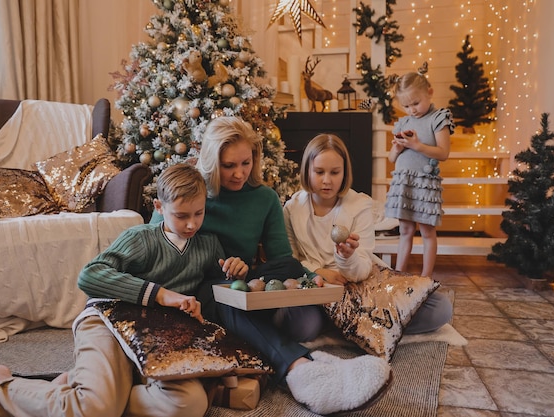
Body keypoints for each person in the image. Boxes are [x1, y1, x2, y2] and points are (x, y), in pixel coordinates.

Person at [0, 163, 248, 417]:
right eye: (181, 216)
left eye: (199, 213)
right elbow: (90, 275)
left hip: (159, 338)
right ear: (159, 207)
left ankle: (89, 389)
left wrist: (233, 271)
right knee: (96, 408)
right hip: (110, 322)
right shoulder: (141, 238)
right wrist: (161, 294)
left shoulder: (209, 246)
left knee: (189, 404)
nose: (192, 224)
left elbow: (214, 288)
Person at [150, 116, 391, 415]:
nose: (239, 174)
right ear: (212, 161)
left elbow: (281, 261)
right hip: (198, 291)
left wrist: (312, 277)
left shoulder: (265, 198)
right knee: (224, 294)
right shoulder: (192, 191)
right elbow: (156, 241)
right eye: (229, 166)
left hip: (243, 283)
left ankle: (312, 363)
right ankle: (300, 366)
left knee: (285, 266)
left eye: (246, 163)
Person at [284, 133, 452, 335]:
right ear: (307, 171)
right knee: (300, 327)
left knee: (439, 307)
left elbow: (362, 271)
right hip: (317, 287)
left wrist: (347, 257)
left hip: (359, 286)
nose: (327, 180)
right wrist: (317, 272)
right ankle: (360, 325)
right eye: (319, 172)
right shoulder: (292, 209)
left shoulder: (360, 205)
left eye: (335, 172)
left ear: (344, 173)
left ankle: (346, 324)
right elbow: (289, 259)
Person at [385, 62, 454, 277]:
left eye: (416, 103)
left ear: (430, 93)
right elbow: (391, 158)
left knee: (427, 231)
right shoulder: (402, 122)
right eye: (406, 106)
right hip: (403, 182)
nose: (412, 109)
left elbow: (443, 152)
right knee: (405, 230)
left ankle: (425, 277)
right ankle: (398, 275)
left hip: (425, 182)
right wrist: (396, 149)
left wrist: (417, 146)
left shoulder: (438, 118)